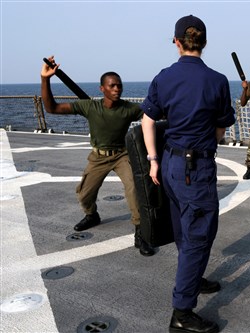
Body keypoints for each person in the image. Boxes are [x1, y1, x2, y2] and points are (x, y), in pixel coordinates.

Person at [141, 15, 235, 333]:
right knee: (198, 235)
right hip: (197, 168)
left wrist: (154, 161)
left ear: (177, 42)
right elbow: (221, 130)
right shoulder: (218, 81)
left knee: (184, 227)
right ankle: (181, 312)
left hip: (169, 163)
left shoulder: (164, 77)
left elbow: (147, 121)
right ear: (204, 43)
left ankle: (192, 277)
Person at [40, 56, 155, 256]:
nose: (117, 89)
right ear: (102, 89)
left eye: (119, 85)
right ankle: (92, 215)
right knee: (84, 194)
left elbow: (154, 115)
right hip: (98, 157)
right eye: (112, 86)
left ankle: (141, 233)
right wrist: (45, 79)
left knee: (134, 190)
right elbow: (51, 108)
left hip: (121, 155)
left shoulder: (129, 109)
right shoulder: (89, 106)